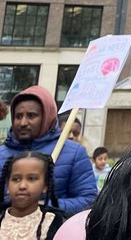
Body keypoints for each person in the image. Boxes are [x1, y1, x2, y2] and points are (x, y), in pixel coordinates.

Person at [0, 86, 96, 215]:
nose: (23, 122)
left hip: (55, 231)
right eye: (18, 116)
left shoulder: (74, 153)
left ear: (46, 116)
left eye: (31, 116)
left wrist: (44, 206)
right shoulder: (1, 154)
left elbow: (88, 200)